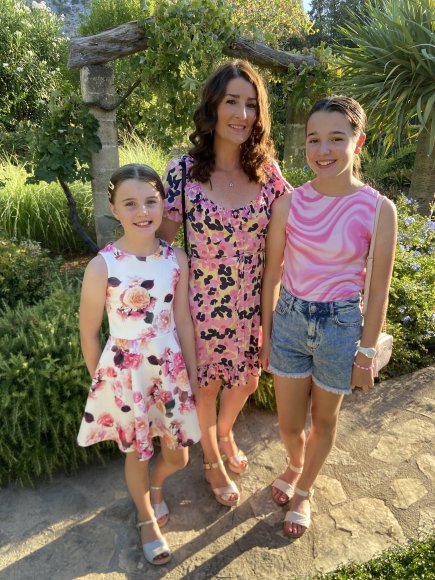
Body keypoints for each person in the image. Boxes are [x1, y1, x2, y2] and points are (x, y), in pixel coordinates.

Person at [260, 95, 397, 538]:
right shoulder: (288, 205)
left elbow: (378, 290)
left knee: (323, 420)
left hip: (341, 327)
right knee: (288, 423)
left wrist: (366, 352)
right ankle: (297, 464)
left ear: (358, 142)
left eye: (336, 139)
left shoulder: (379, 209)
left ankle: (304, 489)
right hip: (290, 321)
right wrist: (266, 334)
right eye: (314, 139)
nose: (323, 150)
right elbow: (272, 276)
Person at [158, 60, 291, 507]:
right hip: (199, 306)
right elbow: (162, 243)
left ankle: (224, 430)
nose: (242, 114)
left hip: (249, 304)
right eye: (232, 101)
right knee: (206, 387)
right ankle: (212, 460)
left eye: (251, 104)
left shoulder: (267, 173)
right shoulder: (183, 172)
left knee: (247, 382)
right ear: (213, 107)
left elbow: (302, 221)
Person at [77, 164, 201, 565]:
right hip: (126, 374)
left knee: (178, 454)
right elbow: (88, 333)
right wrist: (104, 385)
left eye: (150, 201)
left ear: (163, 204)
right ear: (114, 209)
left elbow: (183, 320)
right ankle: (146, 518)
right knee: (138, 453)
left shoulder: (175, 258)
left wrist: (192, 375)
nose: (142, 211)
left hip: (169, 369)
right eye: (130, 203)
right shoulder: (103, 265)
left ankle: (156, 486)